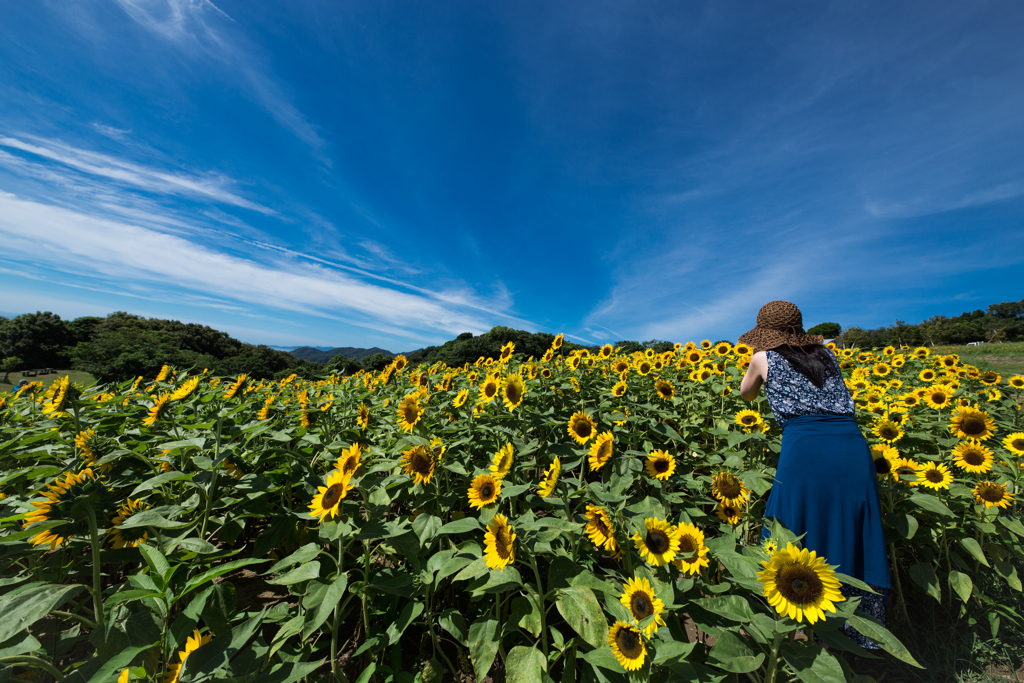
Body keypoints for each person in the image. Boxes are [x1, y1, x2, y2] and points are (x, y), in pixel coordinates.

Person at [738, 300, 889, 648]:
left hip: (805, 448)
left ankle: (787, 628)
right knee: (850, 529)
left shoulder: (762, 357)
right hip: (851, 447)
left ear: (764, 333)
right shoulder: (826, 355)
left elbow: (747, 394)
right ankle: (856, 636)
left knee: (792, 525)